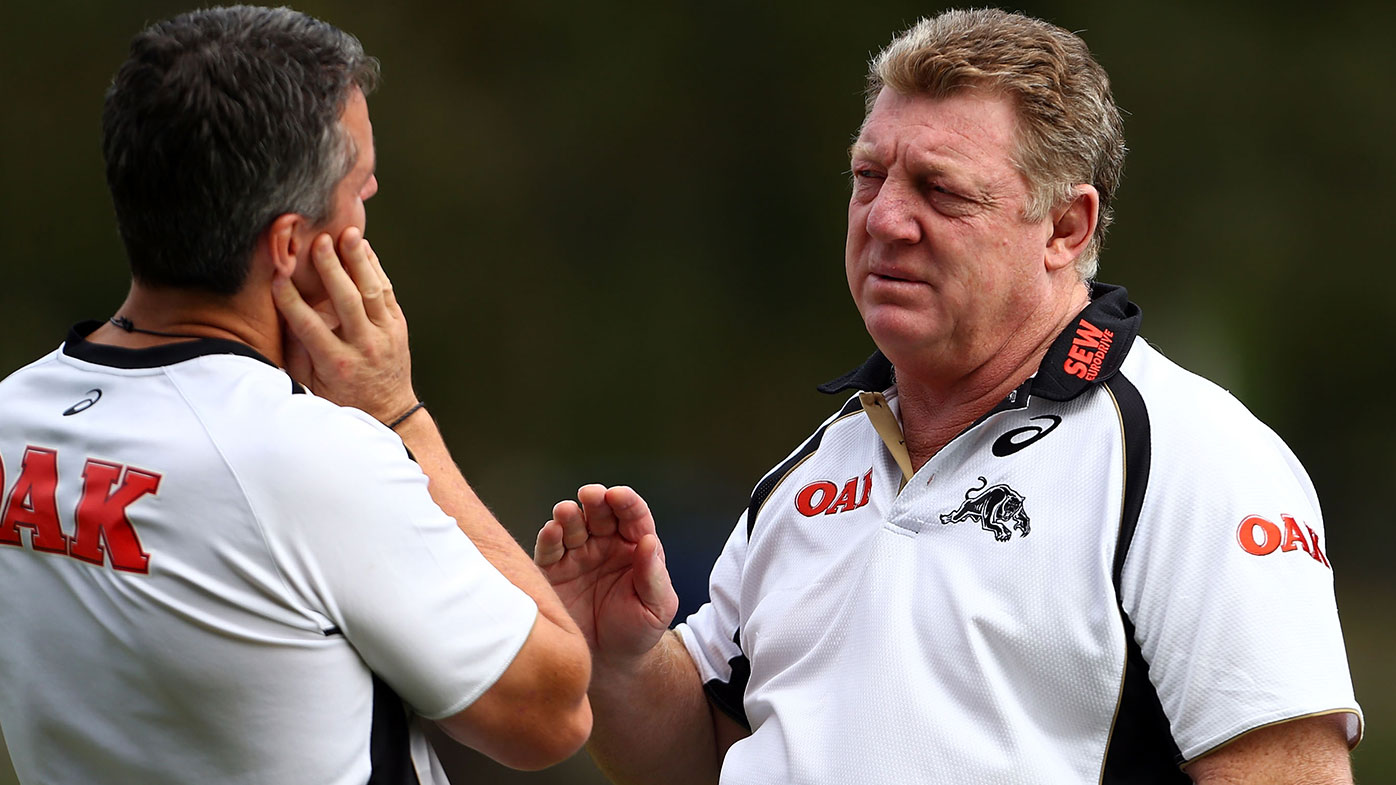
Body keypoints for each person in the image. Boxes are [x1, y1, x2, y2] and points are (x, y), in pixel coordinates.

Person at [531, 8, 1363, 784]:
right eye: (868, 176)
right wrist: (623, 658)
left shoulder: (1195, 456)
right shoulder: (808, 472)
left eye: (941, 190)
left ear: (1067, 228)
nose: (886, 217)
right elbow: (707, 756)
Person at [0, 7, 590, 784]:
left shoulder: (14, 416)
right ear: (288, 246)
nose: (367, 213)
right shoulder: (308, 456)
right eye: (362, 191)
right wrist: (397, 414)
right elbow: (554, 711)